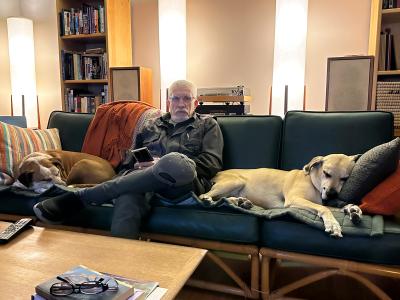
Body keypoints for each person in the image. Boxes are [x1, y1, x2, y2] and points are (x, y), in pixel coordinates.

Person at [33, 80, 224, 239]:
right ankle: (121, 270)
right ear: (168, 102)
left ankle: (82, 197)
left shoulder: (208, 124)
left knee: (173, 162)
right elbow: (130, 162)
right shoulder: (151, 125)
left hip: (182, 185)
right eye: (176, 98)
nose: (181, 104)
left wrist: (161, 164)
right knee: (128, 195)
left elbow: (212, 163)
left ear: (196, 103)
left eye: (187, 98)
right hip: (144, 183)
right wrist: (139, 164)